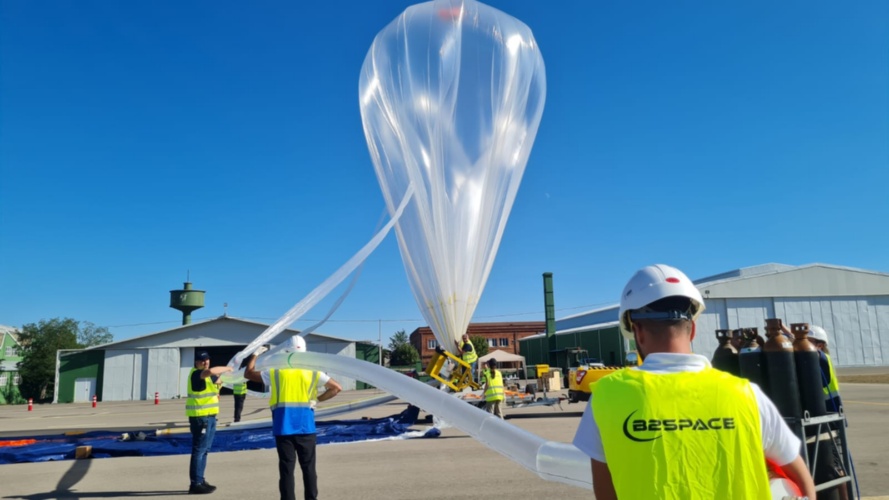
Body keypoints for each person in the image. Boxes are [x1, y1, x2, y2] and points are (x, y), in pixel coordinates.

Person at [572, 264, 816, 500]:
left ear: (638, 331)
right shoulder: (747, 395)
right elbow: (800, 478)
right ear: (693, 330)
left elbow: (605, 490)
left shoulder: (607, 396)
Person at [244, 335, 342, 500]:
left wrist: (255, 354)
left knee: (287, 470)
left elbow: (248, 373)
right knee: (309, 468)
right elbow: (336, 388)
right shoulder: (313, 373)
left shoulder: (276, 373)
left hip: (283, 427)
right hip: (306, 427)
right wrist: (317, 400)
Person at [187, 351, 233, 495]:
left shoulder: (208, 377)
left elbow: (218, 380)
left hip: (210, 416)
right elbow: (211, 371)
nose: (206, 362)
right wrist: (228, 368)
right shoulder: (197, 374)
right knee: (199, 450)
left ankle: (200, 479)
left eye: (207, 359)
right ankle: (195, 483)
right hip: (201, 417)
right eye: (202, 360)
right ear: (196, 362)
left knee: (205, 450)